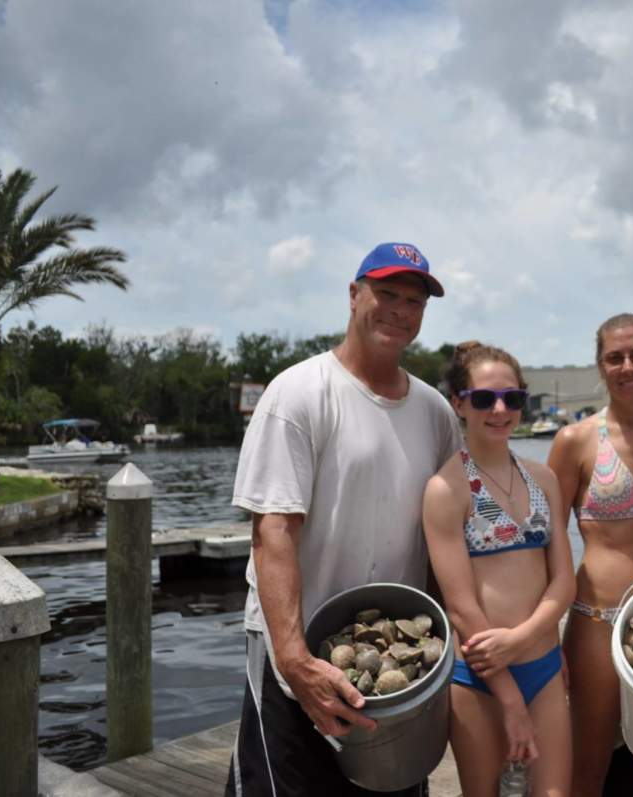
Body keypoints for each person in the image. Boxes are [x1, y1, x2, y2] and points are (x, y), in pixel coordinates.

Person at [226, 243, 462, 796]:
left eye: (414, 301)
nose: (401, 310)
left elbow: (444, 536)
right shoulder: (299, 393)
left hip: (390, 662)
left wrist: (449, 639)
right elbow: (274, 531)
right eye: (387, 294)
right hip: (296, 657)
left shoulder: (436, 413)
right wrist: (294, 661)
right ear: (354, 296)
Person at [423, 342, 576, 797]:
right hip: (479, 679)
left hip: (544, 670)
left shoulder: (543, 478)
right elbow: (462, 607)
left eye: (513, 398)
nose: (500, 409)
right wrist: (509, 698)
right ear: (459, 403)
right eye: (484, 398)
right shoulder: (446, 490)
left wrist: (522, 639)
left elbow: (564, 580)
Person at [546, 314, 633, 797]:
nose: (628, 366)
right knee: (588, 766)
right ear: (600, 366)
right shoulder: (575, 440)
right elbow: (548, 539)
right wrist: (545, 634)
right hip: (596, 621)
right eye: (615, 357)